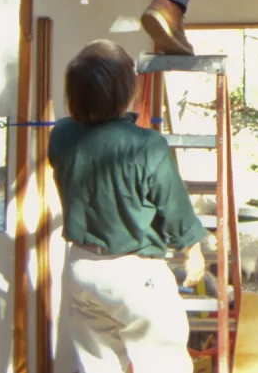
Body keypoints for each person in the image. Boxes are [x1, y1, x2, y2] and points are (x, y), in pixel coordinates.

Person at [49, 41, 207, 373]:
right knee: (164, 364)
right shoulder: (146, 146)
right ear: (124, 92)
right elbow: (174, 206)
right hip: (134, 273)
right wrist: (193, 251)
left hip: (81, 268)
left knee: (97, 366)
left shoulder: (61, 135)